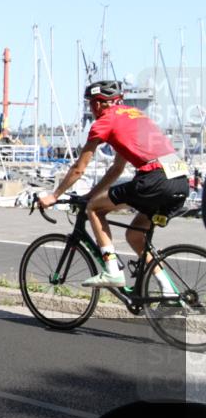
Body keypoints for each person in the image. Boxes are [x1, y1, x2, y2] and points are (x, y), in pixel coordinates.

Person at [39, 80, 189, 291]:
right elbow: (117, 169)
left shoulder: (105, 121)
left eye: (91, 104)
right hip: (180, 180)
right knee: (135, 236)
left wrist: (54, 195)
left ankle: (112, 271)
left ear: (99, 104)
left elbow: (78, 168)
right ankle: (168, 290)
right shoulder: (134, 116)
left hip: (155, 179)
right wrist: (92, 193)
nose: (91, 109)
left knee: (94, 209)